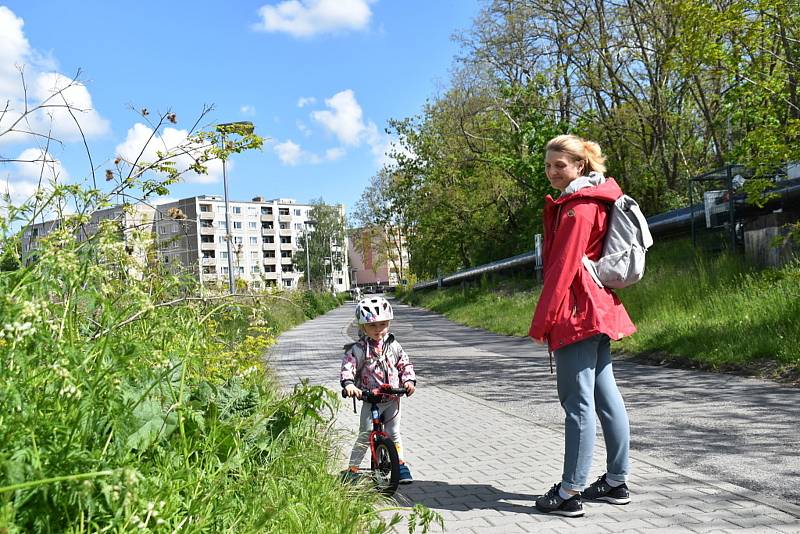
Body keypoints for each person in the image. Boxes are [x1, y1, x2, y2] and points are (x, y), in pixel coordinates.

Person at [529, 134, 636, 517]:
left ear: (580, 166)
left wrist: (544, 320)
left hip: (577, 311)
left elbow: (563, 267)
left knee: (577, 404)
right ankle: (616, 481)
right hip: (598, 308)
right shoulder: (593, 199)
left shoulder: (577, 207)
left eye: (560, 165)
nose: (553, 172)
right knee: (607, 399)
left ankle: (570, 490)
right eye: (548, 166)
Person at [341, 296, 417, 483]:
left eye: (382, 325)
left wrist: (408, 381)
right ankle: (353, 469)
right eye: (372, 326)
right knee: (365, 433)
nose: (378, 330)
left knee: (393, 433)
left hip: (391, 399)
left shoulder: (393, 345)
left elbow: (404, 364)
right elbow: (348, 366)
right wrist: (349, 384)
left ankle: (400, 465)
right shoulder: (359, 349)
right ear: (363, 327)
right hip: (371, 399)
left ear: (388, 324)